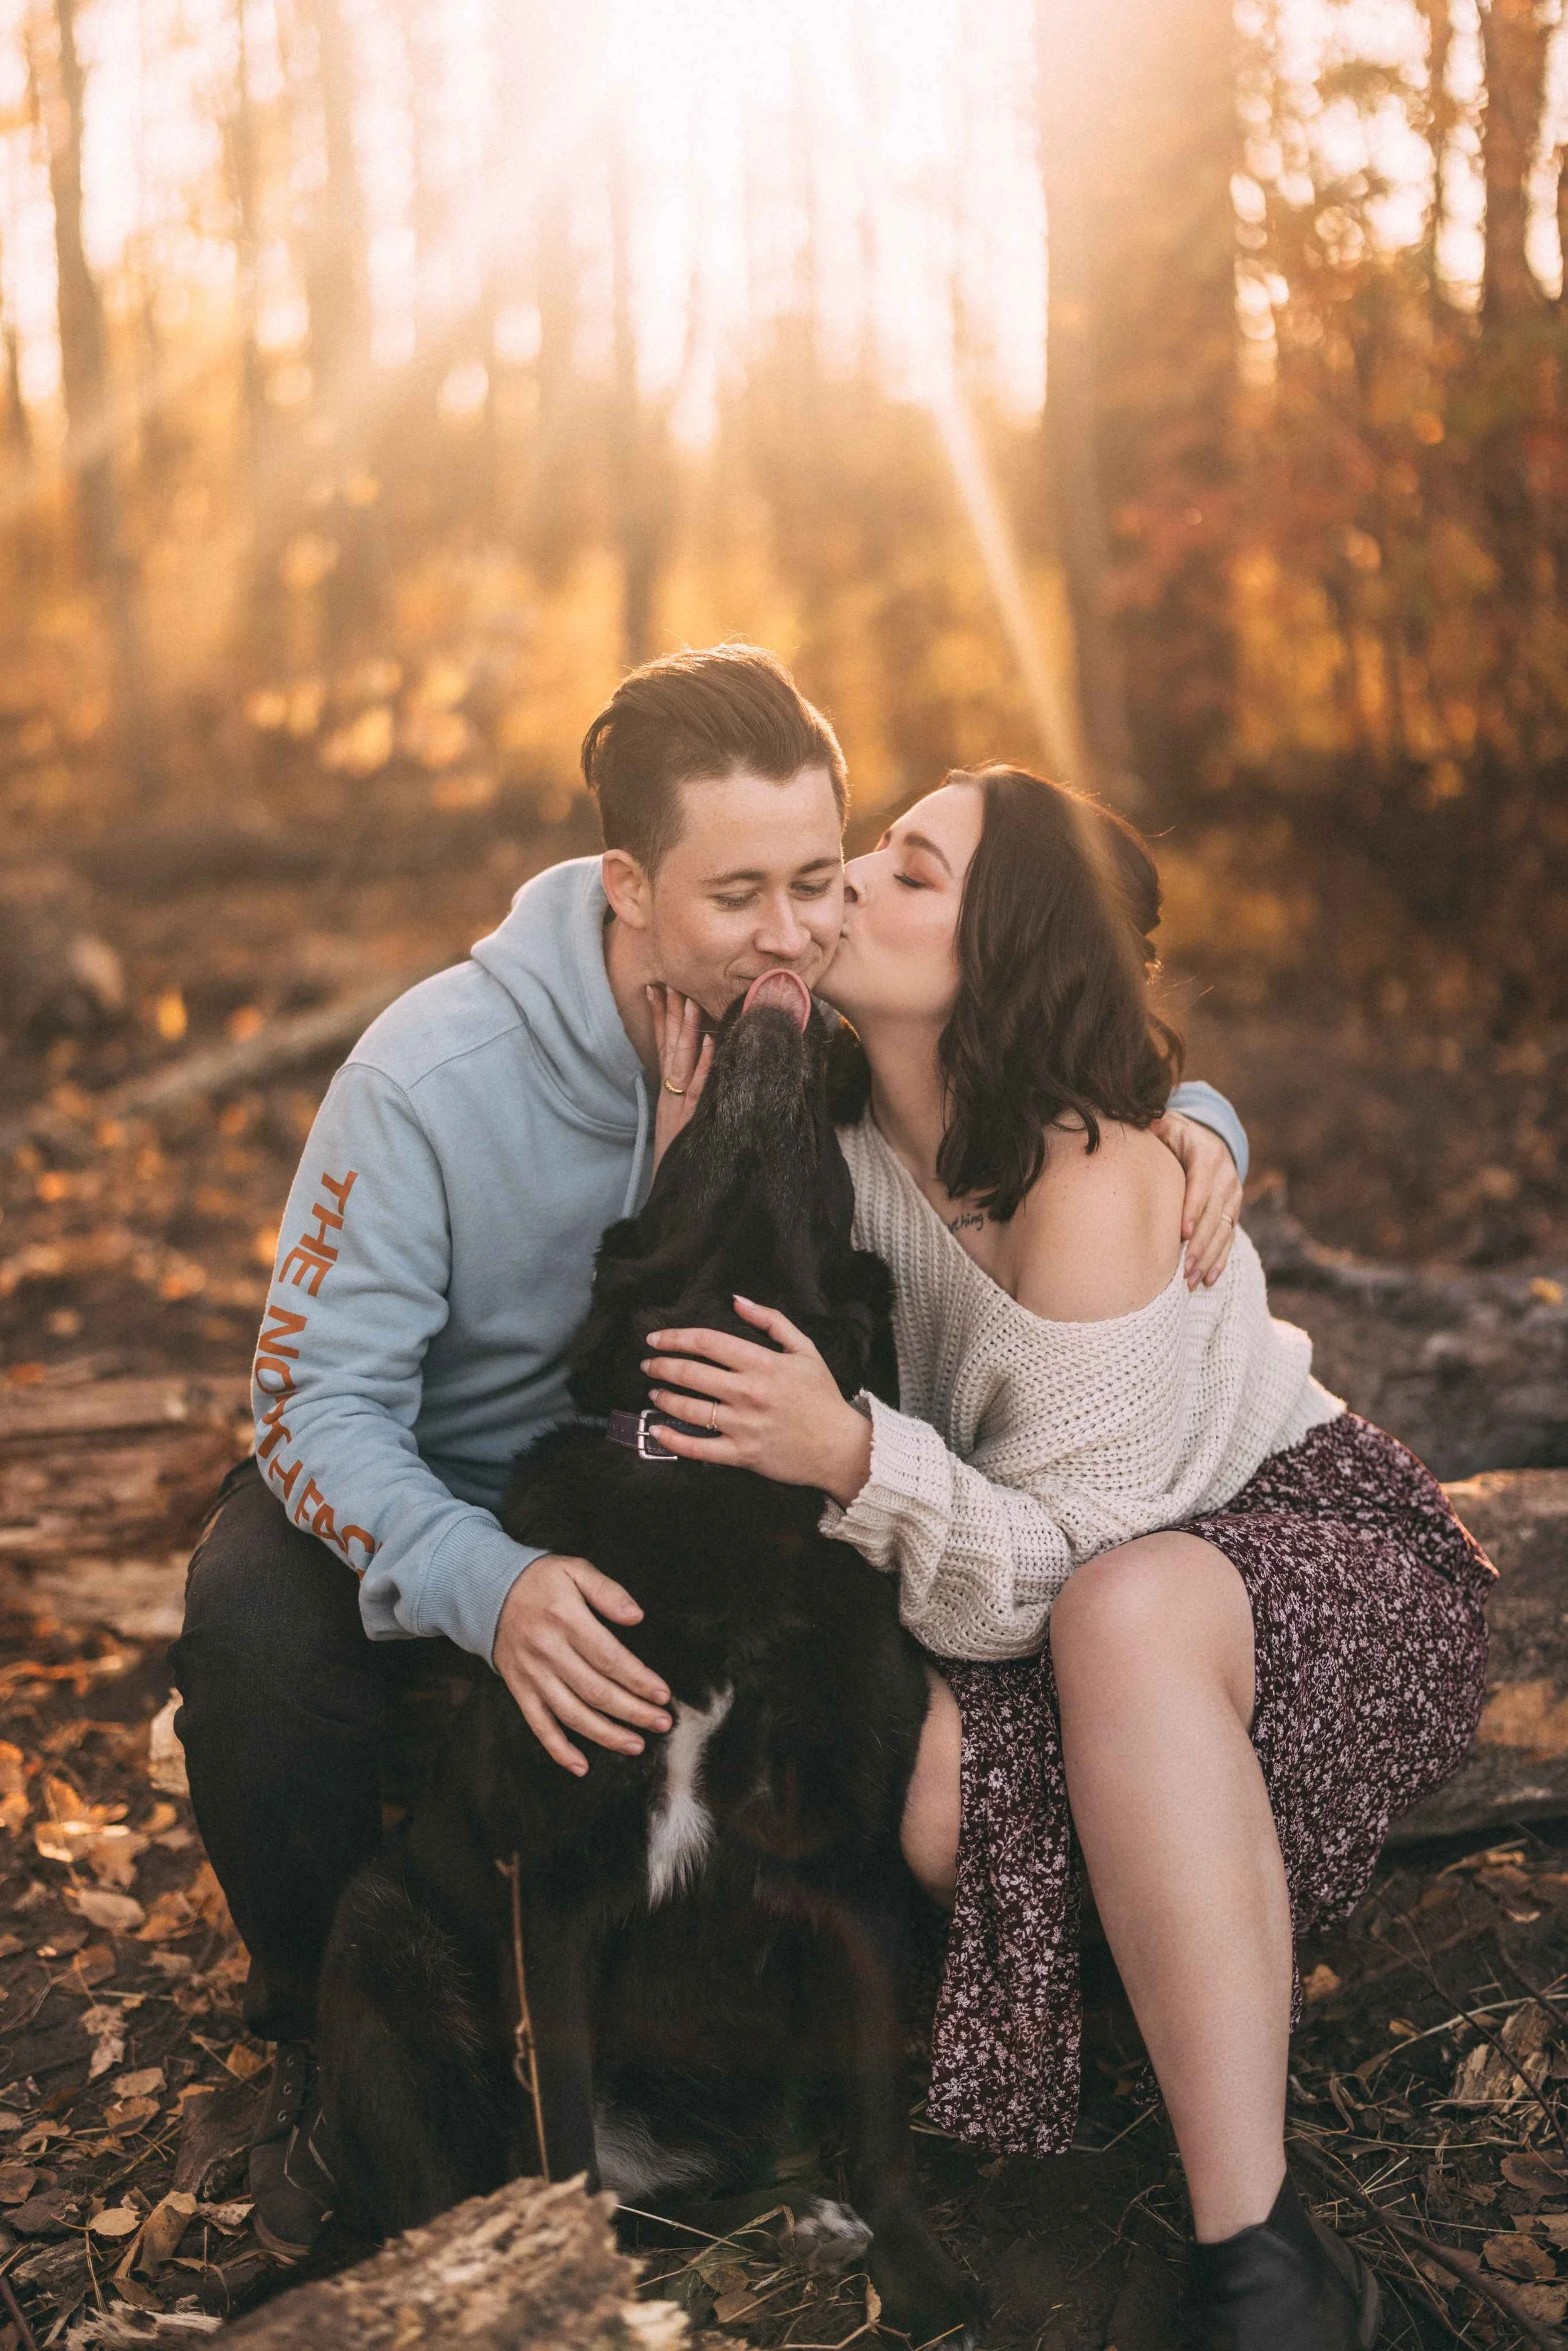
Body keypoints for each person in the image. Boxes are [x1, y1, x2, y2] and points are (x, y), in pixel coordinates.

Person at [171, 652, 1248, 2261]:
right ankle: (329, 2044)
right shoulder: (425, 1078)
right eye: (737, 891)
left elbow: (1022, 1047)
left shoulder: (800, 1021)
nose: (795, 928)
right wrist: (495, 1582)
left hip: (727, 1510)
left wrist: (1199, 1121)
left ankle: (797, 2084)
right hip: (479, 1508)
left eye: (820, 878)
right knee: (250, 1591)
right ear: (627, 882)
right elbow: (309, 1406)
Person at [637, 765, 1494, 2351]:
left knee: (1120, 1607)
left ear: (1006, 942)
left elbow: (1066, 1568)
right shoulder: (825, 1095)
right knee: (931, 1798)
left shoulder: (1090, 1178)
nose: (851, 890)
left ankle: (1267, 2261)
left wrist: (847, 1452)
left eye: (910, 871)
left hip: (1277, 1546)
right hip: (1042, 1568)